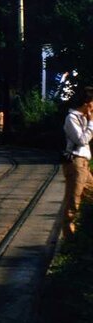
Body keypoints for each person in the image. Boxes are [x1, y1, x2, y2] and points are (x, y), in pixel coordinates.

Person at [61, 86, 93, 238]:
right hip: (75, 162)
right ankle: (69, 236)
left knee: (90, 194)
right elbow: (82, 140)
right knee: (73, 200)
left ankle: (82, 233)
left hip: (84, 163)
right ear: (87, 103)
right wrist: (91, 123)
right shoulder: (72, 118)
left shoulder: (85, 118)